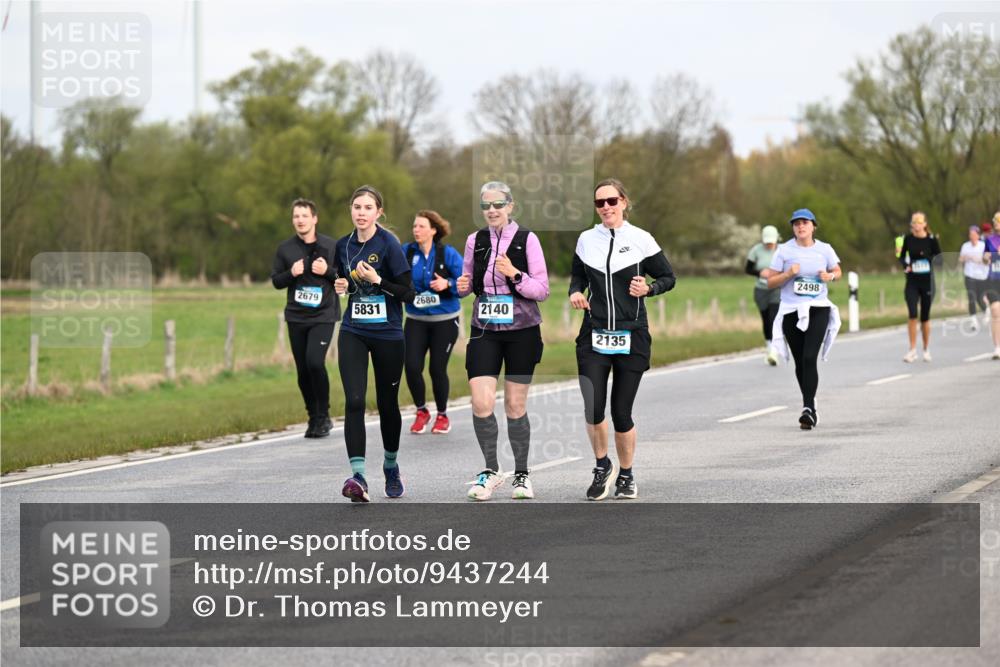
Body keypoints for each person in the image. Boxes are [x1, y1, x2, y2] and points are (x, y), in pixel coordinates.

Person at [570, 178, 676, 501]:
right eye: (599, 203)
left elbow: (668, 277)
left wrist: (650, 289)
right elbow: (577, 275)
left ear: (624, 202)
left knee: (621, 412)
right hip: (594, 334)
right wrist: (575, 291)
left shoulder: (641, 239)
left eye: (611, 201)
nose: (605, 208)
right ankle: (602, 466)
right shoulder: (587, 240)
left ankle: (626, 474)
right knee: (593, 406)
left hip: (632, 335)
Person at [456, 181, 550, 501]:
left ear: (511, 206)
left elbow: (542, 290)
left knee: (514, 404)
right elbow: (467, 285)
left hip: (522, 331)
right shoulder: (475, 240)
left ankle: (521, 474)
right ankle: (491, 470)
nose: (492, 211)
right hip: (484, 329)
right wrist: (461, 285)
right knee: (481, 402)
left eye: (498, 205)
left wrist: (514, 274)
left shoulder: (527, 240)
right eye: (486, 206)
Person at [333, 185, 416, 502]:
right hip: (353, 329)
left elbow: (407, 293)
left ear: (378, 212)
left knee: (387, 403)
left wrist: (378, 281)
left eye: (368, 207)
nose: (361, 212)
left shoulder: (390, 245)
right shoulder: (343, 245)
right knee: (354, 401)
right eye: (356, 207)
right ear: (350, 211)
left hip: (388, 332)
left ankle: (391, 466)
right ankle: (358, 477)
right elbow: (341, 283)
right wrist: (339, 285)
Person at [762, 208, 842, 430]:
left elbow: (837, 270)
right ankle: (810, 404)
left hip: (818, 308)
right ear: (793, 228)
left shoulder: (824, 249)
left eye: (805, 222)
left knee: (809, 357)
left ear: (813, 226)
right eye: (796, 223)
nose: (800, 226)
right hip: (790, 310)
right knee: (799, 361)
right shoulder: (784, 251)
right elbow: (769, 282)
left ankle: (808, 408)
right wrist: (788, 274)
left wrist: (831, 276)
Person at [270, 198, 340, 439]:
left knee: (314, 362)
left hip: (323, 315)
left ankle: (324, 415)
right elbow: (276, 281)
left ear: (314, 219)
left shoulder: (331, 246)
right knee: (302, 371)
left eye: (304, 216)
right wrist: (292, 273)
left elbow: (344, 279)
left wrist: (328, 272)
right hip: (296, 317)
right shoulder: (285, 249)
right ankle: (313, 417)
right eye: (296, 216)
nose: (300, 220)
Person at [401, 210, 465, 435]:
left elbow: (466, 284)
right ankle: (421, 411)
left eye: (421, 226)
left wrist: (448, 284)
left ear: (433, 230)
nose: (416, 230)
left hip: (445, 320)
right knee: (411, 366)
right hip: (416, 319)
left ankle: (442, 415)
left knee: (437, 368)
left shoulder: (448, 254)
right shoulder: (406, 252)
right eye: (414, 226)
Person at [898, 212, 942, 362]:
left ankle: (926, 348)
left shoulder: (932, 240)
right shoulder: (908, 239)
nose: (916, 225)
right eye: (914, 223)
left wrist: (927, 258)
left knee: (925, 317)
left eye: (918, 222)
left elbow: (940, 260)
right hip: (912, 282)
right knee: (912, 314)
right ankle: (912, 350)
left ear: (924, 224)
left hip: (927, 282)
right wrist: (906, 265)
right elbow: (902, 256)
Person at [746, 225, 782, 365]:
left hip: (777, 289)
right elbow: (748, 269)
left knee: (774, 318)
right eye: (767, 242)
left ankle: (774, 351)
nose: (769, 245)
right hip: (761, 289)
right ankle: (769, 346)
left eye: (771, 242)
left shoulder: (782, 251)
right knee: (766, 320)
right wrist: (760, 272)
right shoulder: (756, 250)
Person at [959, 224, 991, 331]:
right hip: (969, 275)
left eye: (974, 234)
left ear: (978, 235)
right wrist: (966, 257)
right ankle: (973, 322)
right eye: (970, 234)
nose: (972, 237)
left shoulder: (983, 245)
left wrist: (980, 259)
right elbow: (960, 259)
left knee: (980, 298)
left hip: (982, 276)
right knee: (971, 297)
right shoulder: (965, 246)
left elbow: (989, 261)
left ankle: (986, 310)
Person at [984, 216, 1000, 359]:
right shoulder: (989, 240)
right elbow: (984, 259)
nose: (995, 224)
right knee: (995, 311)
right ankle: (997, 347)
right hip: (993, 279)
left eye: (997, 221)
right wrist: (986, 257)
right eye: (994, 221)